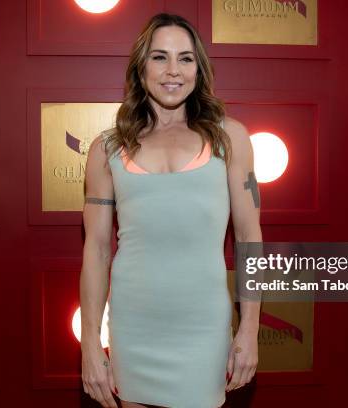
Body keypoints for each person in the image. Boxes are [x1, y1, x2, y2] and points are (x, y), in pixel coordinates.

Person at [79, 12, 263, 408]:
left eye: (185, 58)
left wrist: (249, 330)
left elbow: (250, 238)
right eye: (160, 57)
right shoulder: (106, 149)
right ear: (140, 66)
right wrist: (90, 344)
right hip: (134, 325)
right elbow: (95, 251)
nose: (172, 71)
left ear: (199, 68)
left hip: (203, 327)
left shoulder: (230, 139)